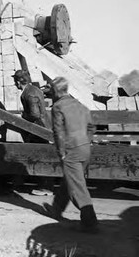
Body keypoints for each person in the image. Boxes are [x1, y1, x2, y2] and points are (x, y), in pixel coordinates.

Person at [43, 77, 99, 233]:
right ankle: (56, 209)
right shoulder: (80, 105)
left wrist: (61, 151)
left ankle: (90, 222)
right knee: (72, 180)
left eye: (51, 91)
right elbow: (91, 127)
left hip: (70, 150)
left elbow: (58, 132)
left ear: (55, 91)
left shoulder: (58, 107)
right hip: (84, 148)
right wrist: (85, 142)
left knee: (77, 187)